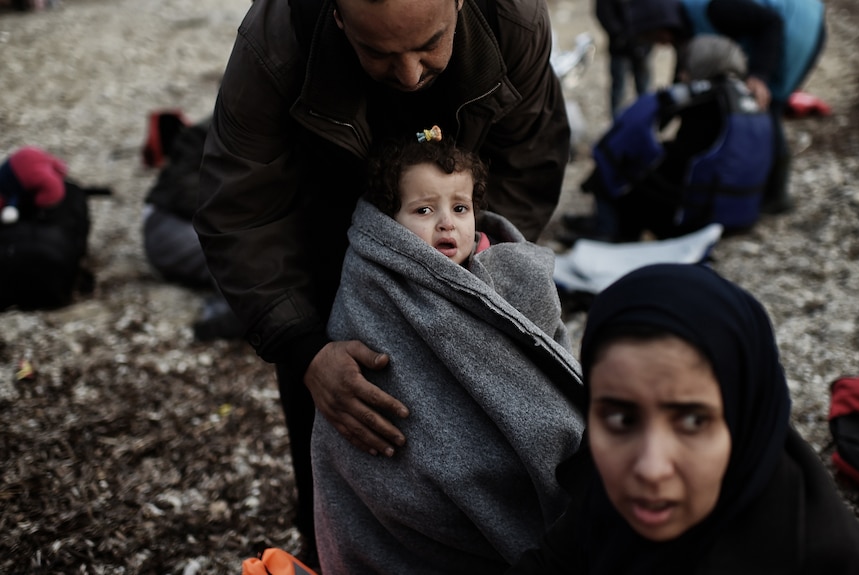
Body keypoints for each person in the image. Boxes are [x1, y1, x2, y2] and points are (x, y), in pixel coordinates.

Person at [193, 0, 572, 554]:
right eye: (379, 52)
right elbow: (240, 209)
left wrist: (478, 264)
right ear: (338, 16)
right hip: (322, 246)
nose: (410, 75)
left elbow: (531, 156)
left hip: (462, 230)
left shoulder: (512, 18)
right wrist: (304, 350)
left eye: (430, 45)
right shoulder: (276, 42)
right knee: (344, 438)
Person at [312, 132, 585, 574]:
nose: (446, 224)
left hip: (511, 468)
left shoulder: (509, 273)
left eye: (460, 208)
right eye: (423, 210)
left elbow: (547, 364)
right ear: (390, 222)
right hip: (415, 481)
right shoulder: (373, 284)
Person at [507, 262, 859, 574]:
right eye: (622, 419)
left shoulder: (820, 558)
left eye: (692, 422)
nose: (650, 468)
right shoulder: (602, 496)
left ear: (745, 420)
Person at [560, 34, 773, 243]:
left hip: (695, 217)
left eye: (687, 67)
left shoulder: (707, 101)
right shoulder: (747, 99)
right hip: (738, 210)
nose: (682, 75)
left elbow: (682, 155)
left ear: (704, 64)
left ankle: (609, 229)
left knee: (621, 164)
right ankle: (603, 221)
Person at [626, 0, 826, 215]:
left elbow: (771, 22)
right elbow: (684, 72)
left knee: (767, 106)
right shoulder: (683, 24)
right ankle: (758, 188)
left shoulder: (714, 8)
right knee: (759, 104)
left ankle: (775, 195)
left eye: (654, 36)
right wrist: (661, 115)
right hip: (786, 27)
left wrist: (759, 75)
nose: (659, 43)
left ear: (664, 24)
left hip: (798, 28)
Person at [141, 118, 243, 341]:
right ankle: (233, 316)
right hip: (169, 222)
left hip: (209, 222)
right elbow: (185, 192)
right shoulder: (202, 135)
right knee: (236, 249)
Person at [595, 0, 652, 117]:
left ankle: (645, 122)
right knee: (619, 89)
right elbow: (603, 13)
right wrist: (620, 37)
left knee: (644, 90)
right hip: (620, 48)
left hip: (642, 45)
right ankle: (618, 127)